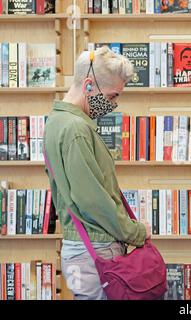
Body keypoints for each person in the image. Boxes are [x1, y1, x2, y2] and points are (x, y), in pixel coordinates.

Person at [43, 47, 152, 300]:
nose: (113, 104)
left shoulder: (56, 121)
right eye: (112, 96)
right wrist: (136, 231)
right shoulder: (77, 129)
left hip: (83, 247)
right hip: (96, 249)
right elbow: (92, 199)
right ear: (89, 85)